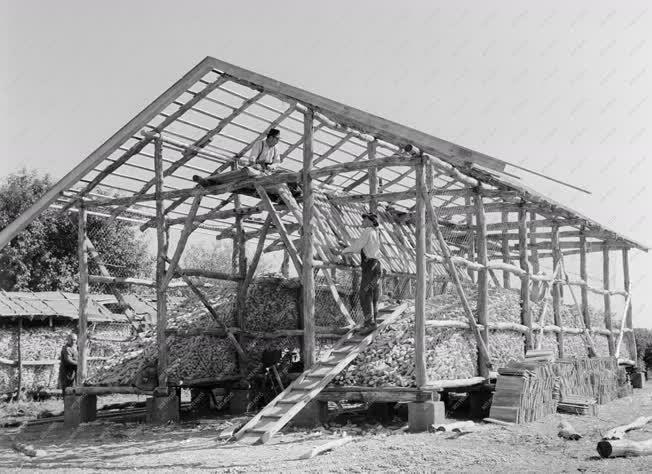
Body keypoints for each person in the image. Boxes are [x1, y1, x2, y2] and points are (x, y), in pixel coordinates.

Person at [339, 212, 382, 333]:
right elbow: (364, 247)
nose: (362, 222)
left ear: (369, 221)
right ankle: (372, 322)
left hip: (370, 267)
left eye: (364, 220)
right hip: (376, 266)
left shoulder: (368, 231)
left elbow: (357, 247)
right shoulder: (376, 232)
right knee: (372, 294)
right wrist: (348, 247)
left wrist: (343, 251)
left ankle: (369, 324)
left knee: (364, 294)